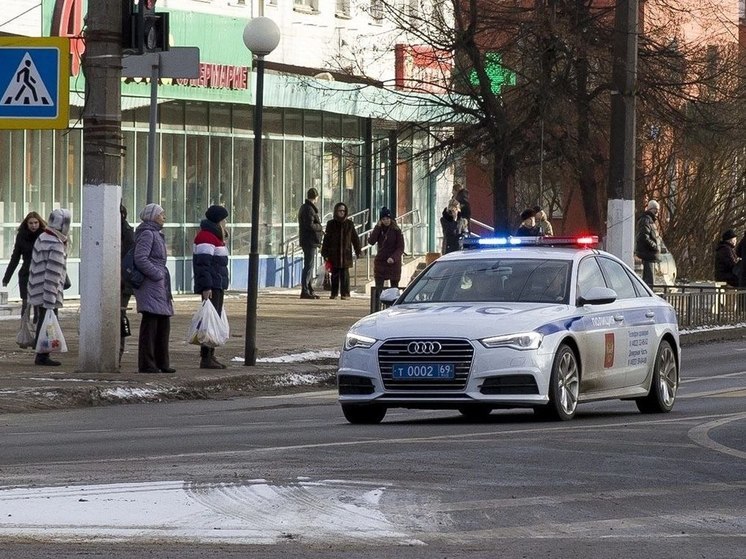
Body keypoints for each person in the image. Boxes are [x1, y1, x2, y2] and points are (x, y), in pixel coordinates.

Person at [133, 203, 174, 374]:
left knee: (163, 324)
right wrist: (157, 274)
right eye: (161, 214)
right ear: (152, 216)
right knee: (150, 324)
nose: (164, 217)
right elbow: (140, 258)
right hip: (151, 285)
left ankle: (162, 362)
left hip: (159, 285)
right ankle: (147, 363)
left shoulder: (157, 234)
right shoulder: (148, 234)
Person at [27, 209, 70, 367]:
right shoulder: (56, 243)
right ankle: (43, 355)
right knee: (48, 322)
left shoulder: (42, 237)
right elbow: (53, 272)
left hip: (37, 287)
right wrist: (51, 299)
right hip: (47, 291)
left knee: (43, 322)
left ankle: (42, 353)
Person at [193, 204, 230, 369]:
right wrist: (206, 286)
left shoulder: (214, 237)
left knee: (214, 320)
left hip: (217, 283)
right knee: (209, 322)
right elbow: (203, 264)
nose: (226, 223)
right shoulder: (206, 237)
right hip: (212, 284)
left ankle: (211, 354)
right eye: (224, 220)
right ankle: (206, 357)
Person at [2, 211, 47, 318]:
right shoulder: (21, 236)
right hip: (25, 273)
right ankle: (24, 328)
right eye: (30, 223)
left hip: (40, 273)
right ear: (26, 224)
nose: (33, 225)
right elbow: (15, 257)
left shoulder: (44, 236)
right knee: (25, 304)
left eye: (36, 222)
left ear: (39, 223)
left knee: (38, 305)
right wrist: (6, 278)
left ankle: (38, 327)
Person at [321, 202, 362, 300]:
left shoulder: (349, 224)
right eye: (340, 211)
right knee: (334, 274)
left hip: (345, 254)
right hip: (334, 253)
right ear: (336, 211)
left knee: (345, 274)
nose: (342, 213)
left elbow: (355, 238)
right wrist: (325, 253)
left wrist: (358, 250)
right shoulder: (331, 224)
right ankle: (334, 293)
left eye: (343, 211)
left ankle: (345, 294)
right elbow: (327, 239)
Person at [368, 207, 405, 291]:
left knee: (394, 288)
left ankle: (392, 303)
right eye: (383, 219)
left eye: (387, 218)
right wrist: (377, 227)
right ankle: (378, 303)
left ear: (391, 219)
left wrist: (393, 258)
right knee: (379, 288)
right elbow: (371, 241)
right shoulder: (379, 229)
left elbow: (400, 247)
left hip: (393, 263)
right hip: (381, 261)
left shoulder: (396, 230)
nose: (386, 221)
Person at [297, 187, 323, 299]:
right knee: (309, 265)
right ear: (316, 197)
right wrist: (320, 227)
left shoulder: (306, 208)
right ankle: (305, 289)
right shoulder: (309, 209)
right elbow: (310, 225)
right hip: (309, 241)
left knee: (309, 265)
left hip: (308, 240)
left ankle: (308, 288)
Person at [120, 204, 135, 366]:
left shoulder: (127, 232)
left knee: (119, 316)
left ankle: (118, 353)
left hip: (122, 282)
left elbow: (129, 259)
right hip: (107, 281)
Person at [634, 199, 662, 288]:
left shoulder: (649, 220)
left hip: (650, 254)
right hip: (648, 254)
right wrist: (655, 246)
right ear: (652, 209)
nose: (657, 213)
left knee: (650, 280)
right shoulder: (646, 220)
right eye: (656, 211)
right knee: (649, 281)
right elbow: (643, 237)